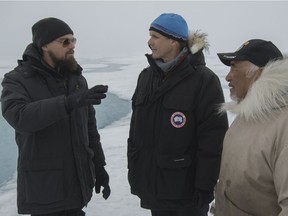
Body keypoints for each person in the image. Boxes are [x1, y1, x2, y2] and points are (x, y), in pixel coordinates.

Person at [1, 17, 111, 216]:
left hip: (77, 189)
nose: (72, 46)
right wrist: (68, 103)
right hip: (45, 193)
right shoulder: (16, 80)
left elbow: (90, 131)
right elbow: (20, 117)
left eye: (73, 40)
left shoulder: (76, 80)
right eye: (65, 41)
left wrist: (99, 168)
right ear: (44, 45)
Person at [127, 13, 228, 216]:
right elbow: (136, 131)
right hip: (153, 186)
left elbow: (213, 138)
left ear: (173, 41)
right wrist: (135, 171)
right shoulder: (146, 77)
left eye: (155, 36)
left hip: (186, 191)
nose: (149, 42)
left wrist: (204, 185)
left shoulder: (203, 80)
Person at [214, 39, 288, 216]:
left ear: (260, 72)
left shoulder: (283, 124)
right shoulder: (247, 114)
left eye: (234, 67)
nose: (227, 77)